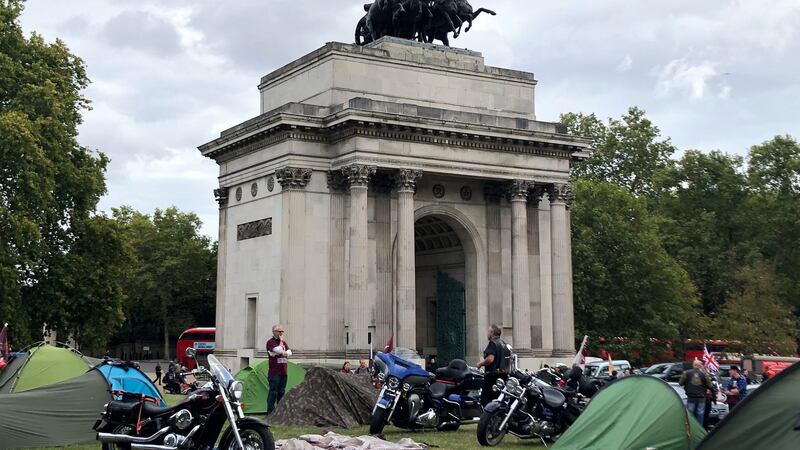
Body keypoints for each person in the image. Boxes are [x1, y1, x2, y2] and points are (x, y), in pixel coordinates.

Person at [476, 324, 509, 407]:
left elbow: (490, 359)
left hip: (492, 377)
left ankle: (487, 419)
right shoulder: (504, 344)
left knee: (486, 401)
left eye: (488, 331)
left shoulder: (493, 343)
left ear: (492, 333)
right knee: (499, 400)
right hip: (503, 377)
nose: (487, 333)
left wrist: (480, 364)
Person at [679, 359, 715, 426]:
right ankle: (699, 429)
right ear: (700, 366)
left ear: (693, 365)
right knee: (700, 414)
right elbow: (709, 385)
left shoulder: (686, 373)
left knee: (690, 414)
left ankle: (690, 428)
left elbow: (680, 383)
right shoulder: (704, 374)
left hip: (691, 396)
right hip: (701, 397)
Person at [266, 323, 292, 414]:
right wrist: (281, 347)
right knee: (273, 392)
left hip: (283, 372)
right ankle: (270, 412)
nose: (281, 333)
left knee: (281, 392)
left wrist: (282, 353)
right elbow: (280, 350)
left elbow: (290, 352)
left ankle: (280, 413)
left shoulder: (284, 342)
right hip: (274, 372)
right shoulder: (270, 342)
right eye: (279, 331)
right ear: (274, 332)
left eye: (282, 331)